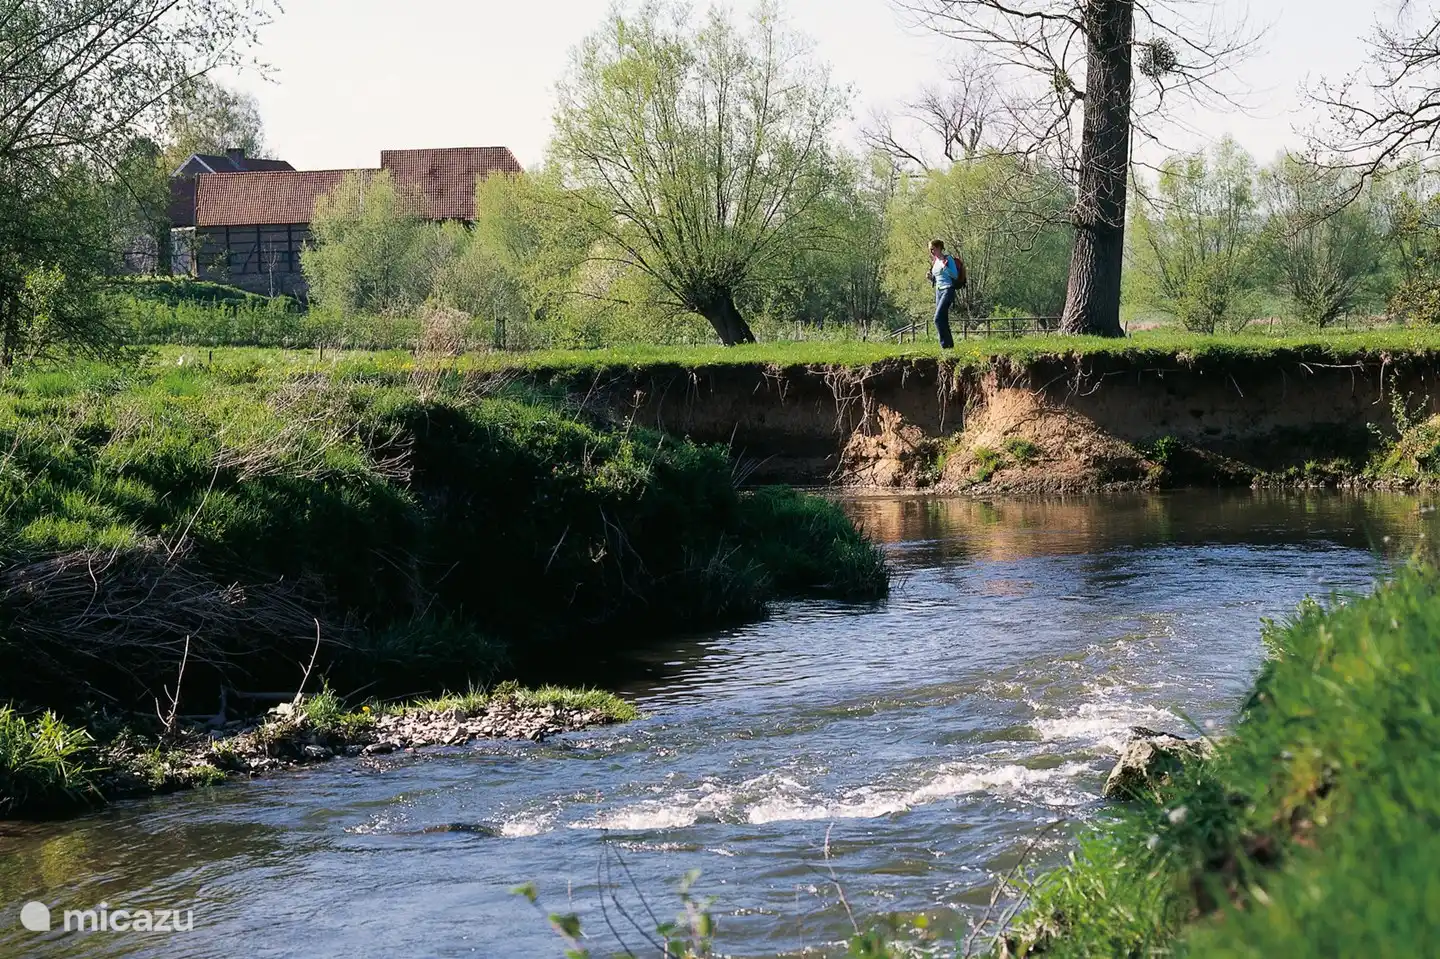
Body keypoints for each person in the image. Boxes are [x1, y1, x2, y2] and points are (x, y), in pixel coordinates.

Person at [927, 239, 965, 349]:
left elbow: (954, 275)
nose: (931, 252)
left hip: (948, 290)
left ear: (939, 248)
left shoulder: (948, 260)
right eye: (930, 250)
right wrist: (931, 278)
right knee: (943, 319)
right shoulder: (935, 262)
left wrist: (945, 268)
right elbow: (938, 278)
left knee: (937, 319)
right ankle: (950, 347)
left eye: (933, 249)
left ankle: (945, 346)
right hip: (938, 291)